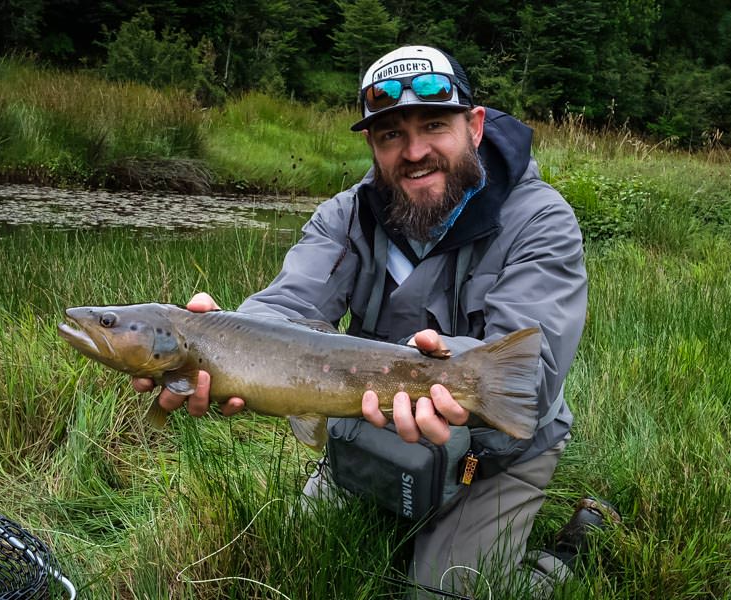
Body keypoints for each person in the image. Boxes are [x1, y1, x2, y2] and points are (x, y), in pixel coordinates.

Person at [134, 45, 599, 597]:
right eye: (390, 135)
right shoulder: (345, 215)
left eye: (434, 125)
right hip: (375, 426)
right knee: (301, 551)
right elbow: (289, 305)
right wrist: (222, 338)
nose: (414, 151)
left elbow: (532, 375)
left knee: (438, 592)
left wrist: (445, 368)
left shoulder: (541, 219)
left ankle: (571, 550)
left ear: (473, 127)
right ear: (373, 145)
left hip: (495, 450)